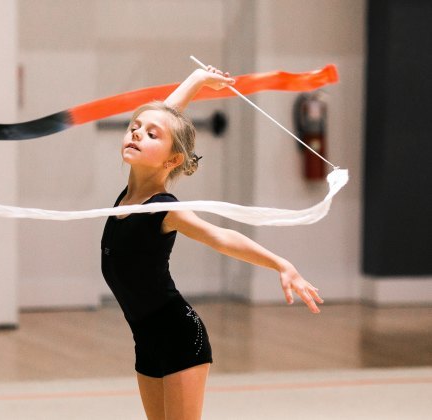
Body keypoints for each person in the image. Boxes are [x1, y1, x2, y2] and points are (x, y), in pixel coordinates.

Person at [100, 65, 324, 420]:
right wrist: (196, 80)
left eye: (150, 135)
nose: (138, 133)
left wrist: (281, 264)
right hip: (145, 340)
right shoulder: (128, 196)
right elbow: (163, 118)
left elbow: (222, 237)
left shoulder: (164, 209)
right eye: (134, 128)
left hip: (179, 337)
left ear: (172, 160)